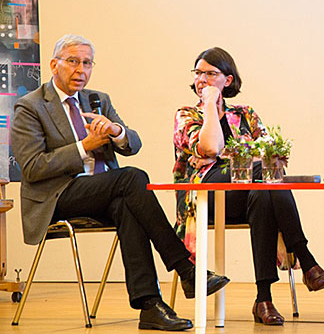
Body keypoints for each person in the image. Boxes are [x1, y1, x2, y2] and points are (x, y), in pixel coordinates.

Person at [11, 34, 230, 331]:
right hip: (57, 196)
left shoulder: (97, 100)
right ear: (54, 65)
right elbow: (33, 168)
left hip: (103, 191)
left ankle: (149, 305)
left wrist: (116, 131)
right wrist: (85, 146)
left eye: (87, 63)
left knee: (128, 204)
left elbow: (133, 144)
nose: (81, 70)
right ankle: (186, 268)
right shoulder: (31, 107)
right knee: (132, 179)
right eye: (73, 62)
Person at [173, 47, 324, 326]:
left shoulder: (245, 114)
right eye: (199, 73)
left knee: (263, 191)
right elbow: (210, 148)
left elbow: (271, 156)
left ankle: (263, 299)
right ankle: (307, 261)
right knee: (260, 174)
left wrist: (274, 158)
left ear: (228, 80)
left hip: (246, 197)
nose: (203, 79)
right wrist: (210, 105)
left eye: (211, 74)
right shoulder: (187, 115)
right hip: (205, 196)